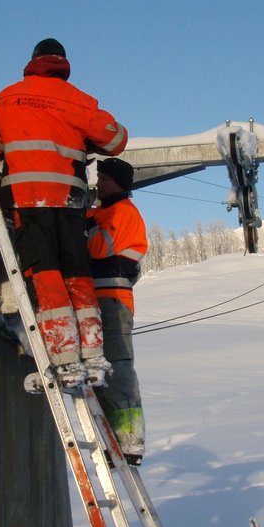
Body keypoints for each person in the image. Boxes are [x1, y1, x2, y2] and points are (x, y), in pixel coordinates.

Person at [0, 38, 128, 389]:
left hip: (28, 200)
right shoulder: (78, 100)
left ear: (32, 61)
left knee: (46, 275)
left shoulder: (7, 98)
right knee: (77, 274)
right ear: (63, 65)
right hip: (69, 202)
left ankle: (65, 358)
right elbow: (116, 141)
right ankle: (93, 353)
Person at [87, 158, 148, 465]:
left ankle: (129, 441)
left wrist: (80, 226)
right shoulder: (102, 212)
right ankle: (111, 439)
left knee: (118, 370)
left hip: (112, 300)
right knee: (98, 372)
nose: (98, 183)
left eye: (104, 179)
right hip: (95, 300)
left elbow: (99, 247)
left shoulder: (123, 212)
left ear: (119, 183)